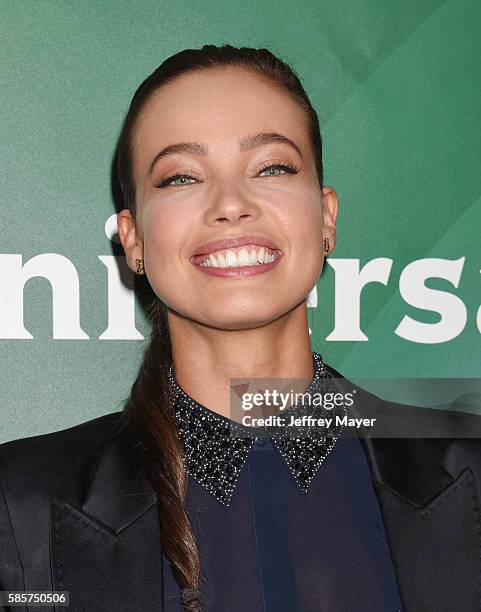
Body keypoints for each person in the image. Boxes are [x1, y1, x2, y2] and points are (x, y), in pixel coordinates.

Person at [1, 44, 480, 612]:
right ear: (133, 240)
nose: (231, 204)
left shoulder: (472, 472)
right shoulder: (18, 503)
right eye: (181, 177)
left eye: (271, 167)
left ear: (325, 217)